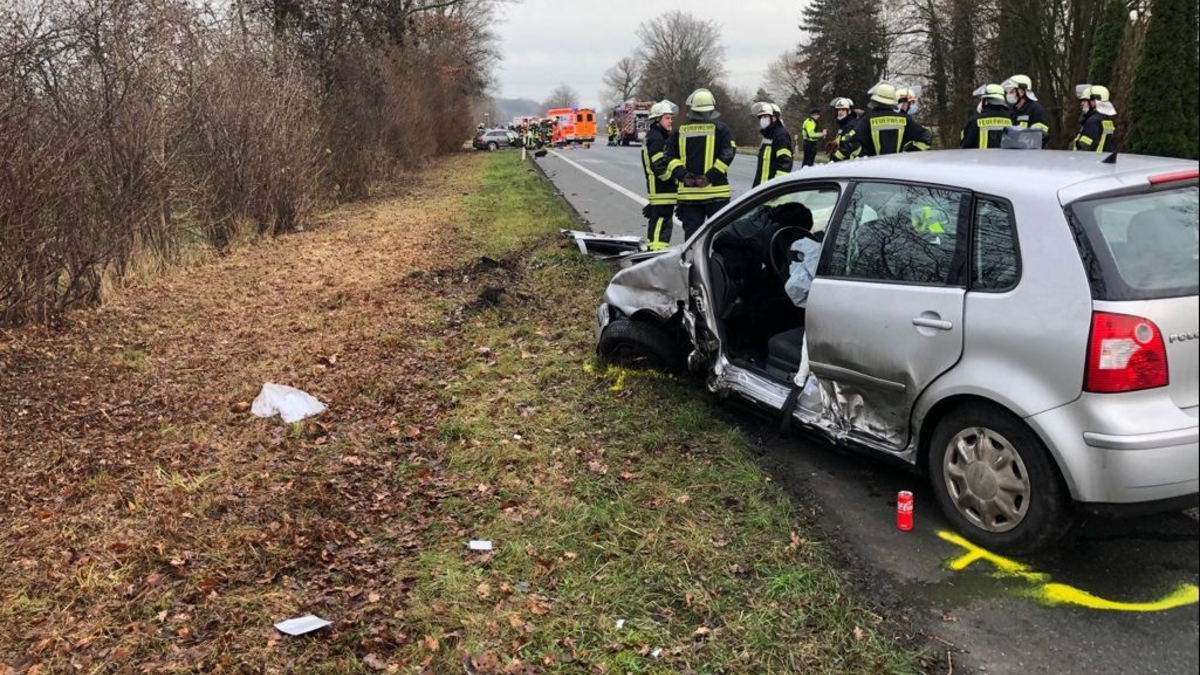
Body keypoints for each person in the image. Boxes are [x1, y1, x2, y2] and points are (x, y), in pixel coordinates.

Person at [664, 88, 736, 239]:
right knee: (720, 238)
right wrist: (709, 177)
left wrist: (684, 176)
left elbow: (669, 157)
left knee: (692, 240)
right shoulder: (722, 129)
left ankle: (693, 263)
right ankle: (716, 263)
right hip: (717, 194)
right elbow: (728, 155)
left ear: (692, 109)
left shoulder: (679, 132)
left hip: (690, 196)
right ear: (712, 108)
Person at [834, 82, 932, 160]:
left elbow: (850, 141)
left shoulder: (868, 120)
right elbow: (926, 138)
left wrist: (865, 158)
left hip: (876, 172)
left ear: (875, 101)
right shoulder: (904, 120)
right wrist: (906, 155)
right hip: (899, 170)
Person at [642, 100, 679, 251]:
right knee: (660, 224)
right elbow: (658, 166)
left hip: (662, 190)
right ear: (658, 119)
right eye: (667, 118)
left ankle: (658, 251)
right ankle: (655, 253)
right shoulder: (656, 137)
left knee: (662, 222)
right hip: (661, 189)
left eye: (671, 118)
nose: (670, 121)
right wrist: (674, 180)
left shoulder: (659, 135)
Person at [752, 102, 794, 188]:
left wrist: (776, 185)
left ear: (774, 118)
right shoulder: (768, 135)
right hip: (762, 188)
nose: (762, 120)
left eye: (765, 117)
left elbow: (785, 163)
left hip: (772, 191)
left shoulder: (781, 135)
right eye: (761, 117)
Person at [1001, 74, 1050, 146]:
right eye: (1007, 92)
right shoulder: (1011, 111)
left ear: (1021, 92)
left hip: (1029, 155)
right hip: (1012, 153)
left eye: (1011, 92)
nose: (1008, 95)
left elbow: (1040, 136)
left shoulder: (1036, 110)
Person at [961, 84, 1011, 149]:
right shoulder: (1009, 119)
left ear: (986, 101)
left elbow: (965, 145)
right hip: (1004, 159)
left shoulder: (975, 121)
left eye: (982, 100)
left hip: (980, 159)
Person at [1074, 84, 1117, 154]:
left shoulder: (1093, 122)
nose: (1082, 103)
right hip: (1102, 161)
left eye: (1085, 101)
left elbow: (1085, 149)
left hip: (1090, 163)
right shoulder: (1105, 119)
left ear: (1094, 102)